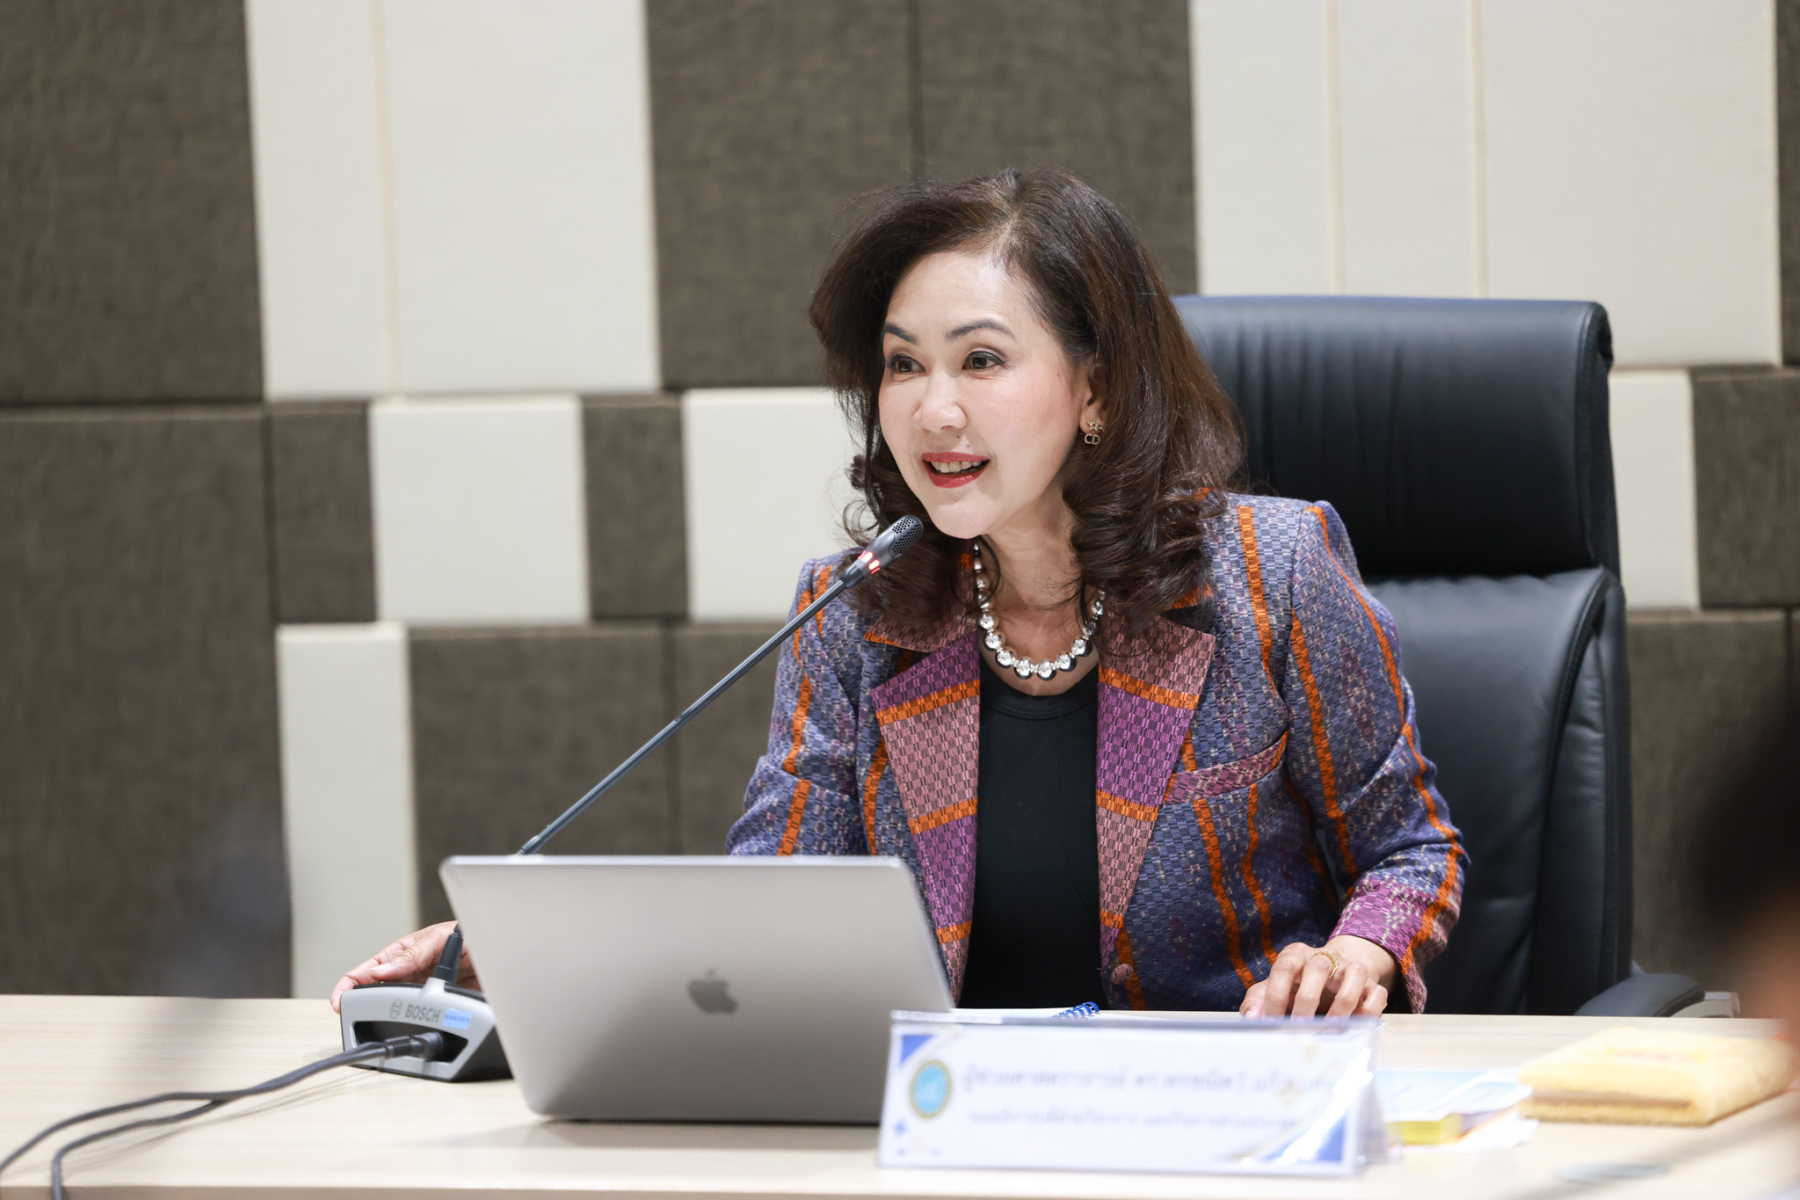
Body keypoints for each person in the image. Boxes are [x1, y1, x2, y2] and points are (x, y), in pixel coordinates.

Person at [333, 169, 1464, 1018]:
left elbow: (1411, 850)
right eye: (903, 363)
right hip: (936, 1134)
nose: (932, 410)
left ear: (1098, 391)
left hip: (1214, 1125)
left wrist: (1356, 954)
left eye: (982, 361)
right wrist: (518, 956)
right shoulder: (856, 613)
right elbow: (770, 913)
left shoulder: (1270, 574)